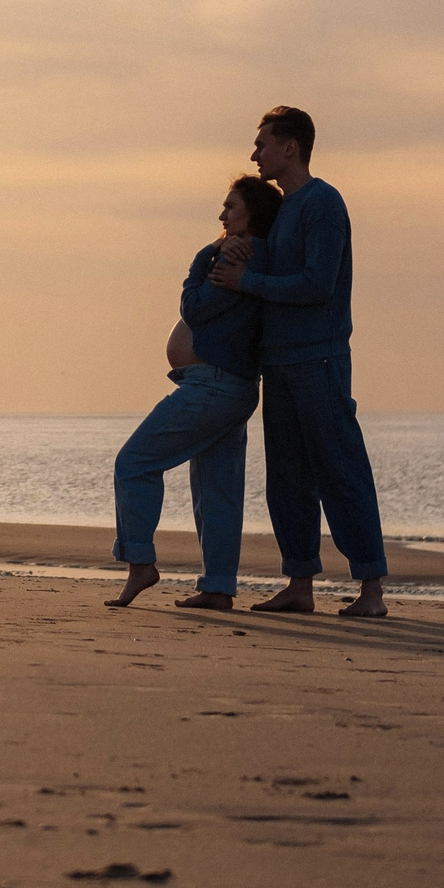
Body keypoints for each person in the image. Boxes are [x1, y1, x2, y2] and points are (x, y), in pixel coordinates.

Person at [210, 105, 391, 618]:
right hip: (279, 363)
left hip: (321, 359)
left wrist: (249, 282)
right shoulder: (281, 209)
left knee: (340, 469)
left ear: (290, 147)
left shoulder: (323, 202)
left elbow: (319, 284)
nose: (255, 153)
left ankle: (371, 589)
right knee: (286, 478)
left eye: (262, 142)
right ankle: (299, 584)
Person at [105, 175, 282, 612]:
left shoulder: (229, 260)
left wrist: (206, 259)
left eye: (231, 207)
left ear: (251, 215)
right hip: (232, 387)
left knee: (134, 463)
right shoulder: (261, 257)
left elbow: (195, 307)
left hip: (213, 386)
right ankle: (219, 587)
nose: (222, 215)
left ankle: (140, 563)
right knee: (217, 489)